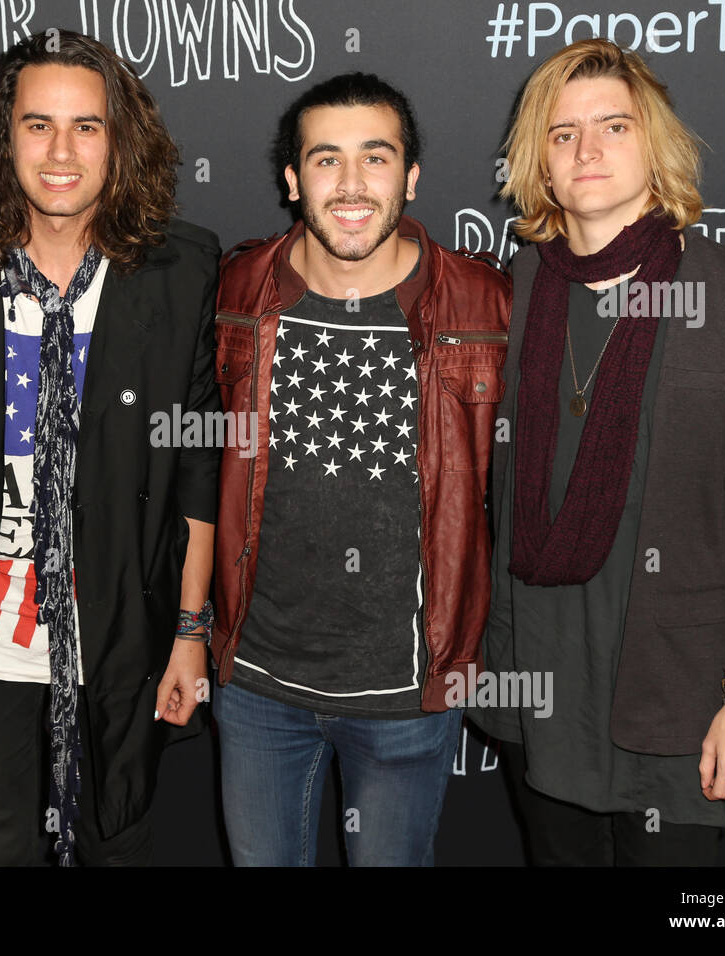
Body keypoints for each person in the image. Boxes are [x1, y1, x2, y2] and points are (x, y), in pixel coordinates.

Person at [470, 38, 725, 866]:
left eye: (613, 126)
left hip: (678, 694)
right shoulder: (506, 301)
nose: (587, 150)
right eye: (562, 133)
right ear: (539, 165)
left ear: (654, 143)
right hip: (537, 685)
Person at [0, 30, 219, 867]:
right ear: (5, 138)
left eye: (88, 127)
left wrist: (189, 631)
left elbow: (195, 468)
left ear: (122, 140)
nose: (62, 151)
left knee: (118, 839)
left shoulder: (181, 269)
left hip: (122, 629)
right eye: (38, 125)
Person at [210, 73, 511, 866]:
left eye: (375, 159)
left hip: (408, 697)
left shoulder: (485, 304)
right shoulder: (239, 288)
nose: (350, 186)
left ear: (410, 177)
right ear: (290, 179)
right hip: (254, 688)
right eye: (325, 160)